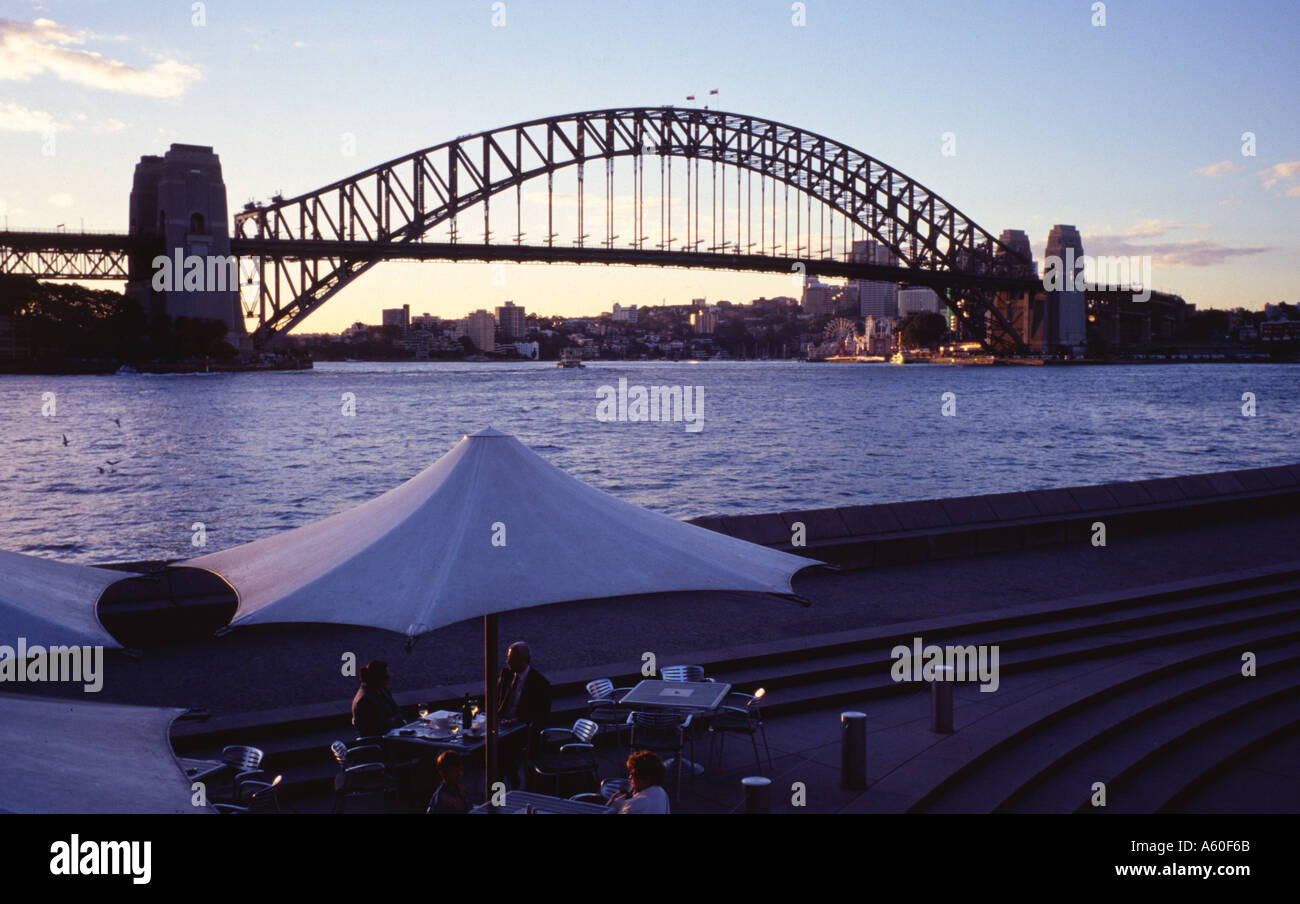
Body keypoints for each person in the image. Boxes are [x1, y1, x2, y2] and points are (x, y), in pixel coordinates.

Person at [495, 641, 551, 786]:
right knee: (498, 761)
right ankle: (500, 796)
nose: (507, 661)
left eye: (511, 658)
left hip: (524, 733)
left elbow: (542, 715)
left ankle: (503, 792)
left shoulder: (539, 684)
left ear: (523, 660)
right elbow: (497, 699)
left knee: (499, 760)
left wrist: (517, 720)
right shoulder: (506, 674)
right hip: (503, 728)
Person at [352, 660, 404, 738]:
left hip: (391, 733)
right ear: (376, 678)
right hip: (381, 740)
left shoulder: (381, 690)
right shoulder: (364, 700)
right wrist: (394, 720)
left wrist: (392, 720)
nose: (389, 679)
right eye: (386, 677)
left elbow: (397, 710)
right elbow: (379, 727)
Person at [607, 750, 671, 814]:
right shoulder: (662, 793)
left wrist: (613, 804)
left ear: (646, 778)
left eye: (632, 774)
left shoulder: (634, 805)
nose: (630, 777)